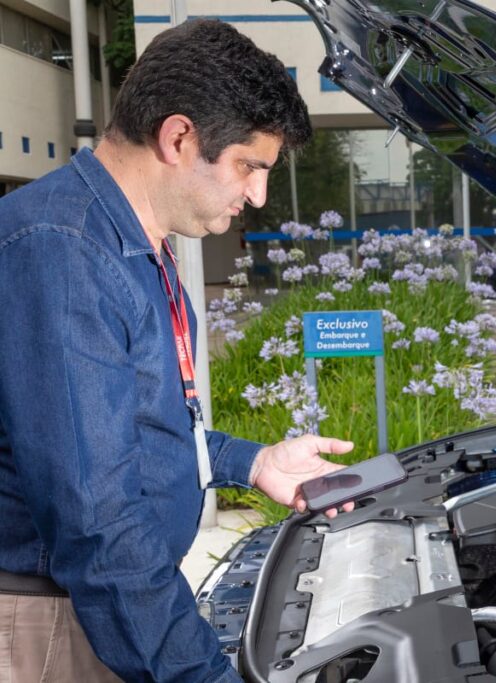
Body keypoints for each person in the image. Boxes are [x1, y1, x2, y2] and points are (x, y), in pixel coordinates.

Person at [0, 19, 352, 682]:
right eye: (249, 166)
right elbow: (96, 520)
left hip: (106, 607)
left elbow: (137, 430)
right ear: (180, 137)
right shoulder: (64, 251)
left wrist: (254, 462)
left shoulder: (137, 246)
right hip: (53, 623)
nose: (257, 195)